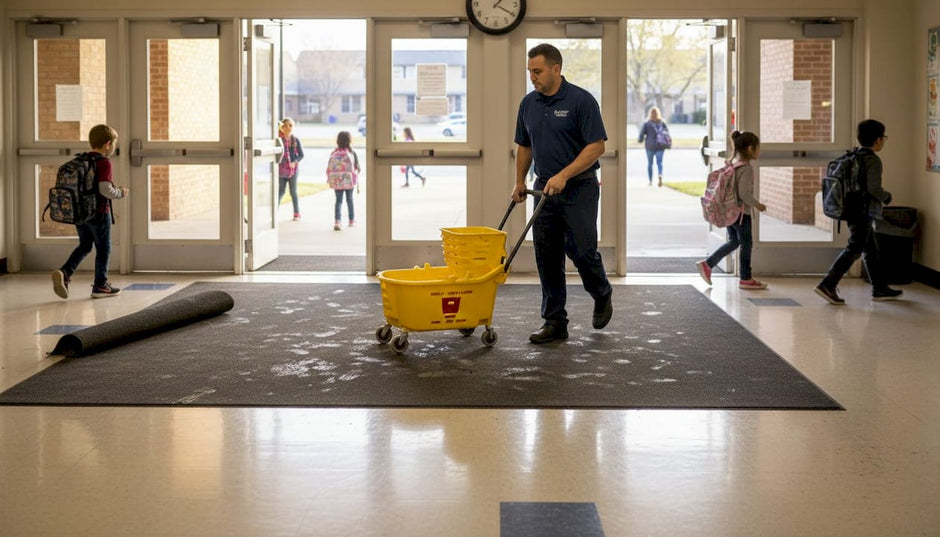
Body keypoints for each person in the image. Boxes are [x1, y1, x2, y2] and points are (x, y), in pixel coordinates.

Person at [511, 43, 613, 344]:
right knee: (547, 254)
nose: (533, 77)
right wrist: (519, 180)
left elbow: (597, 146)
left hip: (579, 186)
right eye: (530, 71)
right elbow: (524, 145)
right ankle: (555, 322)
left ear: (556, 69)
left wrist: (564, 175)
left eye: (538, 71)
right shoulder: (528, 104)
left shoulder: (581, 101)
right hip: (544, 188)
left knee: (581, 251)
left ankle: (601, 291)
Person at [815, 119, 903, 305]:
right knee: (855, 248)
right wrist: (886, 196)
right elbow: (874, 189)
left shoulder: (853, 156)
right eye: (884, 138)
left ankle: (879, 288)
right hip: (864, 210)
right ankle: (828, 284)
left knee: (870, 249)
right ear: (878, 140)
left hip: (851, 207)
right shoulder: (873, 160)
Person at [51, 124, 129, 299]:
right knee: (104, 248)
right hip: (99, 212)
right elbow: (105, 189)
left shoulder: (83, 159)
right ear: (108, 144)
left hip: (80, 213)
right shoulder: (103, 162)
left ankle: (64, 272)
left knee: (85, 245)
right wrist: (121, 193)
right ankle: (101, 286)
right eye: (114, 144)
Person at [695, 130, 769, 290]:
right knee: (746, 245)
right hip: (742, 214)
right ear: (750, 149)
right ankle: (746, 278)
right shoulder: (747, 169)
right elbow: (743, 194)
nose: (759, 151)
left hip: (731, 212)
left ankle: (708, 265)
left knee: (735, 241)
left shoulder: (735, 166)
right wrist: (757, 204)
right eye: (758, 147)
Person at [327, 130, 361, 231]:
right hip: (348, 180)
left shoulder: (334, 152)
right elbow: (357, 167)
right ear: (349, 140)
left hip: (337, 180)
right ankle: (351, 220)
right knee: (349, 200)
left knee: (338, 201)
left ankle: (338, 221)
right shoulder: (352, 152)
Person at [277, 118, 304, 220]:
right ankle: (275, 212)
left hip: (293, 170)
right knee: (281, 191)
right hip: (281, 170)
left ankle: (296, 213)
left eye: (291, 125)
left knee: (293, 191)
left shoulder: (295, 140)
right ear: (282, 127)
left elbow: (301, 155)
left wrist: (295, 162)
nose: (289, 127)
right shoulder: (279, 140)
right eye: (287, 125)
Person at [637, 106, 670, 187]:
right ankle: (660, 175)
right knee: (659, 163)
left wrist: (640, 140)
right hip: (660, 145)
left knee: (650, 163)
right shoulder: (662, 122)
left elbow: (642, 134)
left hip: (650, 146)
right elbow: (667, 133)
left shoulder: (647, 123)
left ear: (650, 114)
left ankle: (650, 180)